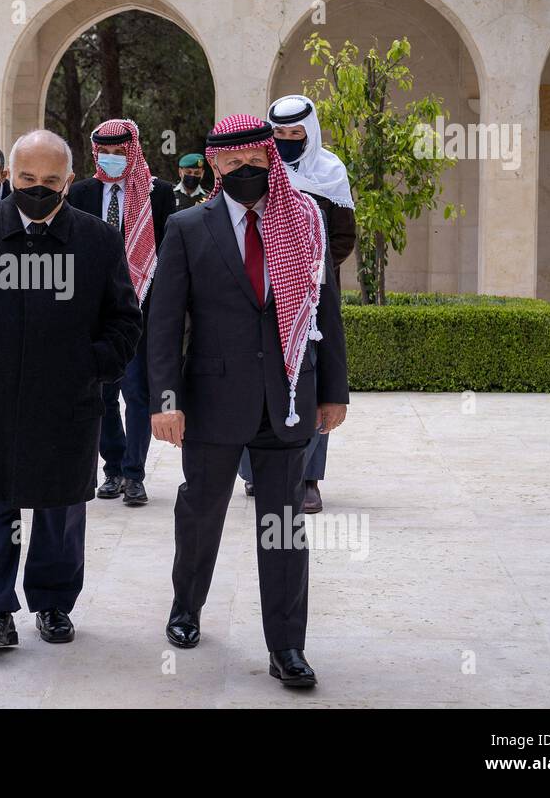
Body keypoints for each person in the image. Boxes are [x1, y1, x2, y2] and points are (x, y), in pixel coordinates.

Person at [149, 113, 348, 688]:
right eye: (232, 163)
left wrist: (333, 391)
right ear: (215, 164)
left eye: (255, 161)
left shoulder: (305, 219)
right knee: (201, 510)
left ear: (271, 159)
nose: (245, 171)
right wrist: (166, 400)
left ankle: (287, 648)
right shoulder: (189, 226)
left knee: (282, 525)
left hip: (288, 398)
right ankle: (186, 606)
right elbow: (165, 322)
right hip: (213, 402)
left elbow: (324, 309)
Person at [0, 129, 141, 647]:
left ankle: (54, 604)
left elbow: (125, 322)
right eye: (25, 178)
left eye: (48, 180)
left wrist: (89, 365)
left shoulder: (99, 240)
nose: (36, 188)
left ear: (68, 181)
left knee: (60, 509)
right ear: (7, 178)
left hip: (66, 403)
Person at [238, 95, 357, 511]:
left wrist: (305, 266)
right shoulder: (260, 171)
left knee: (312, 381)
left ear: (310, 132)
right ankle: (255, 473)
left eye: (295, 134)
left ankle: (308, 479)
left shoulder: (330, 172)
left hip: (314, 294)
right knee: (258, 375)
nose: (288, 141)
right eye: (281, 134)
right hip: (261, 292)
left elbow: (343, 237)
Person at [67, 119, 174, 506]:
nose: (112, 159)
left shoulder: (156, 193)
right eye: (105, 153)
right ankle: (112, 469)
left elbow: (168, 254)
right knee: (103, 394)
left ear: (132, 150)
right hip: (94, 312)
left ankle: (134, 475)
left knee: (137, 392)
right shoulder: (80, 193)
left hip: (140, 307)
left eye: (119, 152)